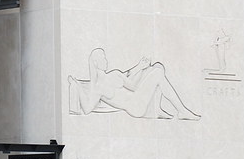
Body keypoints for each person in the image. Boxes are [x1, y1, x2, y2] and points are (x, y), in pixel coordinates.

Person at [68, 48, 200, 120]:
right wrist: (77, 86)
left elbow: (133, 86)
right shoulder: (98, 88)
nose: (106, 60)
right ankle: (182, 111)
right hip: (134, 107)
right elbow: (87, 109)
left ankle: (157, 109)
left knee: (158, 67)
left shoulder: (115, 73)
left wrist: (140, 67)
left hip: (138, 97)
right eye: (102, 58)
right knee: (158, 73)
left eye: (105, 56)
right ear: (95, 63)